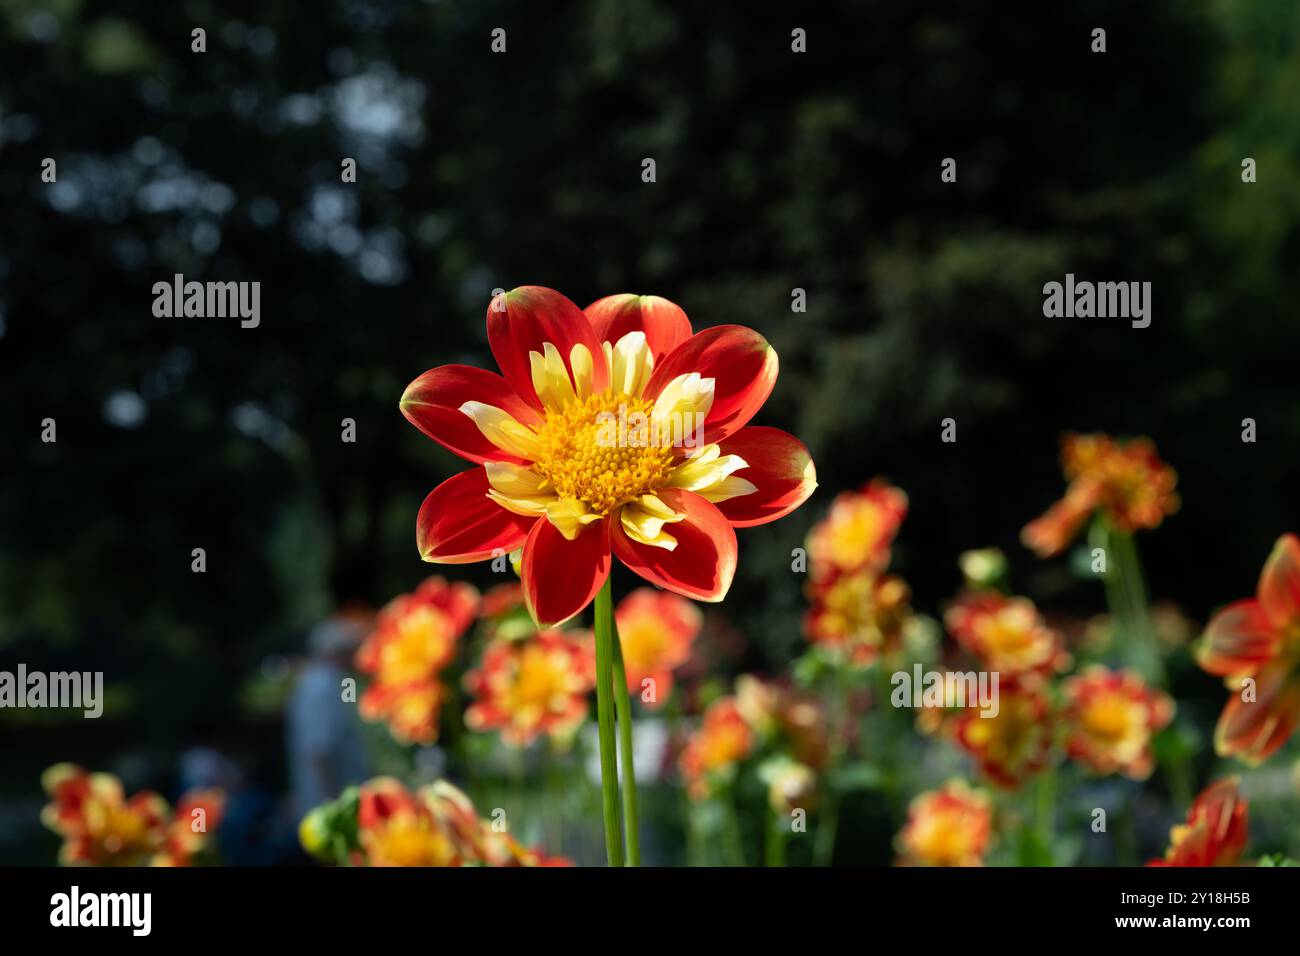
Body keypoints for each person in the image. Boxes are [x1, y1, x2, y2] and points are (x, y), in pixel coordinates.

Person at [285, 612, 371, 821]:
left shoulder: (334, 680)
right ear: (337, 651)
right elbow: (319, 751)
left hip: (340, 802)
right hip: (332, 808)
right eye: (351, 650)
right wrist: (334, 806)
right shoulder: (319, 686)